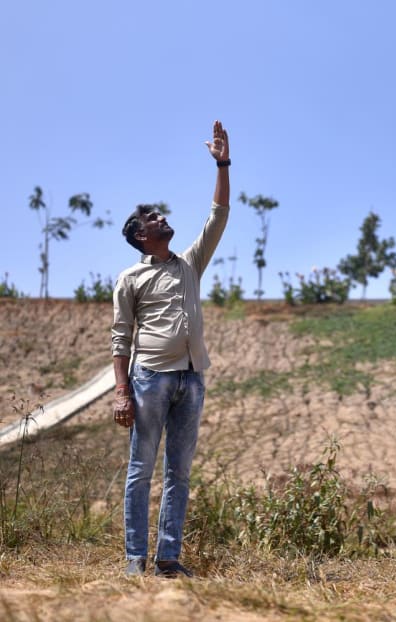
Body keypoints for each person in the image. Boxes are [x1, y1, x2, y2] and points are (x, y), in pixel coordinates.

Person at [111, 120, 231, 578]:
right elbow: (120, 338)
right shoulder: (131, 279)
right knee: (141, 470)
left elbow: (218, 215)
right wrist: (122, 392)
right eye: (153, 219)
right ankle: (133, 562)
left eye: (161, 215)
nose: (162, 219)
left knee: (179, 473)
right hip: (150, 381)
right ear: (142, 236)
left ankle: (168, 561)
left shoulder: (190, 263)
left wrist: (222, 162)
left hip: (192, 377)